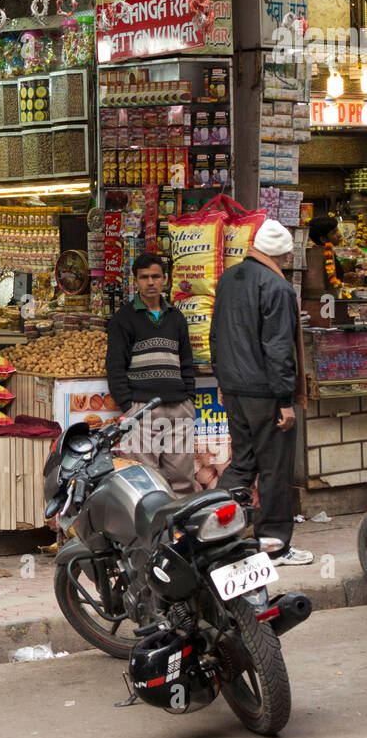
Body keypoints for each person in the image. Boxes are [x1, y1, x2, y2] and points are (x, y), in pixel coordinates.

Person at [210, 219, 312, 567]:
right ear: (281, 255)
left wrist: (224, 383)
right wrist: (285, 401)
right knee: (274, 470)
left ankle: (211, 532)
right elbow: (279, 349)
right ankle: (276, 546)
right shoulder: (277, 287)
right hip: (266, 393)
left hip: (235, 390)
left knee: (241, 464)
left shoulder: (227, 280)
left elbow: (216, 335)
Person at [105, 252, 196, 496]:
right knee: (145, 479)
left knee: (182, 476)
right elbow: (115, 366)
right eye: (144, 277)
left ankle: (178, 530)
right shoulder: (123, 319)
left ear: (165, 280)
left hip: (179, 408)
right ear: (135, 281)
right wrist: (129, 407)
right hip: (142, 409)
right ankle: (148, 532)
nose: (151, 282)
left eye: (156, 276)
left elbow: (186, 361)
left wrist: (189, 398)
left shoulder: (176, 318)